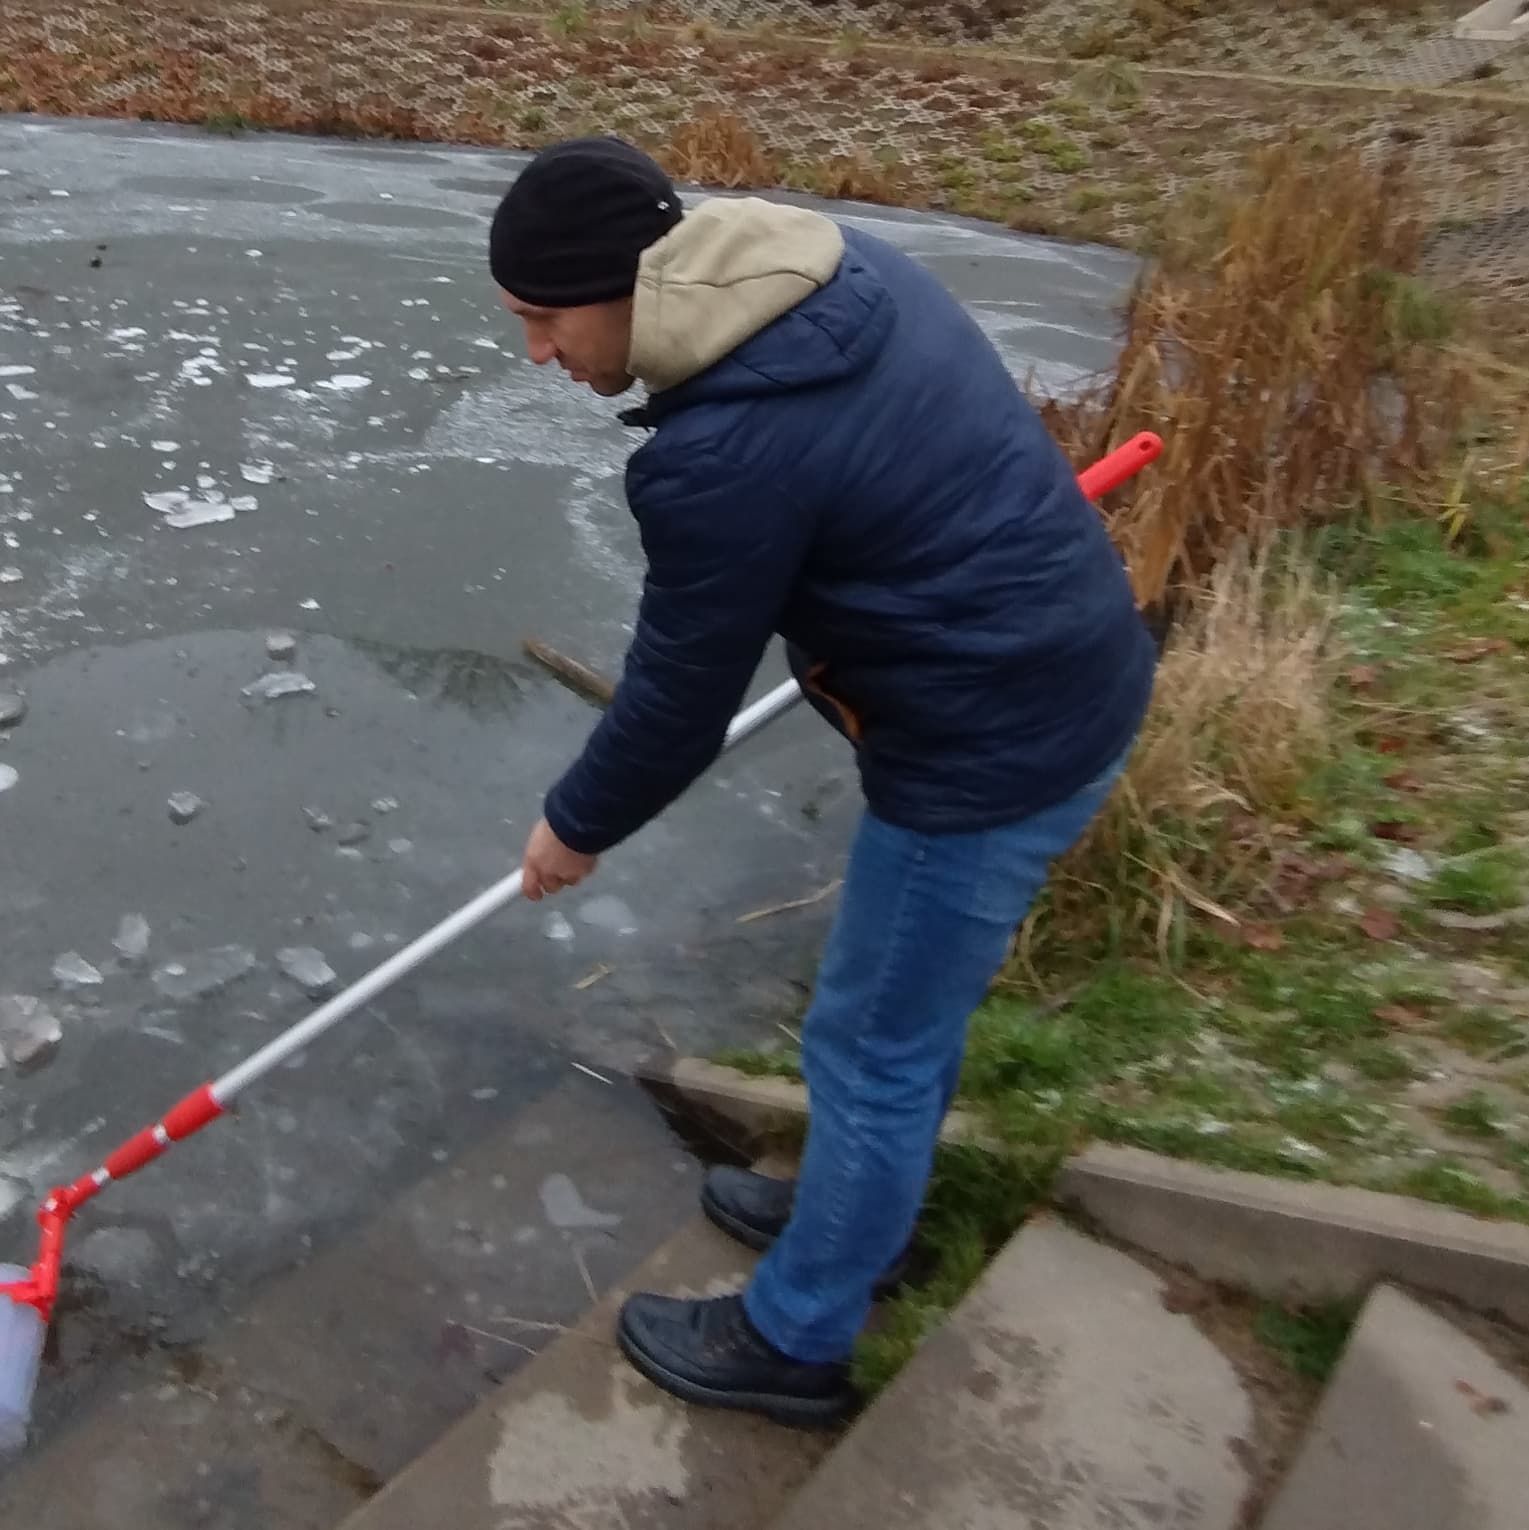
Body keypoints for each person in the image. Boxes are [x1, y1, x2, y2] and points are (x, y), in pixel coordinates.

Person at [487, 136, 1156, 1428]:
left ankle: (797, 1335)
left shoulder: (721, 454)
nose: (537, 353)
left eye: (544, 318)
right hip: (1056, 666)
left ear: (624, 290)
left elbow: (679, 700)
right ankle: (861, 1214)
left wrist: (574, 825)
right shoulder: (834, 274)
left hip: (992, 748)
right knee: (897, 1025)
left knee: (871, 1039)